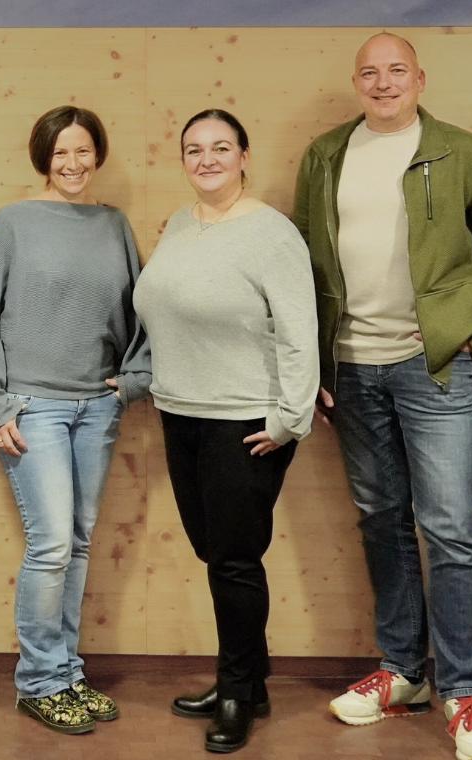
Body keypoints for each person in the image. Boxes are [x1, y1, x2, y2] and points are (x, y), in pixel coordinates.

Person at [293, 32, 472, 760]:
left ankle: (461, 690)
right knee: (381, 520)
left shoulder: (459, 151)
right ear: (355, 83)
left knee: (451, 528)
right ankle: (403, 674)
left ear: (419, 78)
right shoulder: (326, 154)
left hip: (432, 371)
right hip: (352, 370)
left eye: (397, 70)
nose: (384, 82)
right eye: (370, 72)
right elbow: (304, 258)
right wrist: (315, 363)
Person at [134, 108, 319, 754]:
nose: (206, 158)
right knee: (216, 554)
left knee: (236, 561)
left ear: (245, 155)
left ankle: (237, 692)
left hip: (244, 421)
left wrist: (289, 419)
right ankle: (251, 679)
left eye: (220, 147)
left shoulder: (272, 235)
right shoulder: (181, 225)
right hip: (180, 413)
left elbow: (300, 331)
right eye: (193, 149)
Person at [0, 105, 150, 735]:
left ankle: (67, 672)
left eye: (83, 152)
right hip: (32, 409)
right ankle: (39, 680)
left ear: (97, 155)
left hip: (96, 408)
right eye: (60, 154)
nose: (73, 164)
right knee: (49, 545)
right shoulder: (13, 222)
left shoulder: (114, 225)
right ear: (42, 157)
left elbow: (143, 308)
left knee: (75, 542)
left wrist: (133, 381)